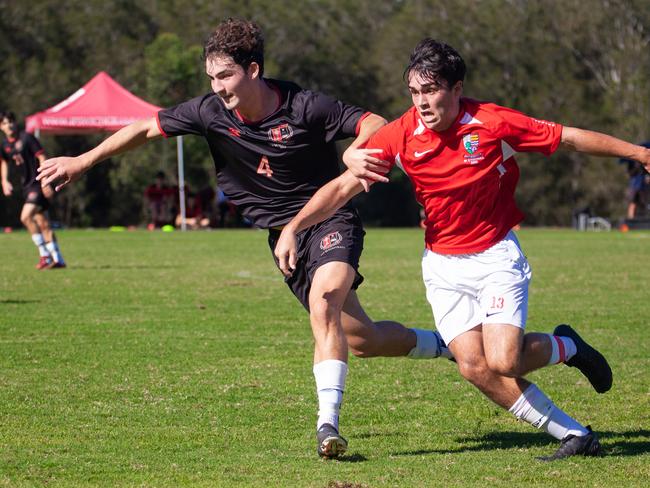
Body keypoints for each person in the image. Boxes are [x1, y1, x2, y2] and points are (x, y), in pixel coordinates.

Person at [37, 19, 452, 459]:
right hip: (283, 239)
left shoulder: (305, 106)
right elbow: (144, 129)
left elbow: (375, 122)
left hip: (331, 219)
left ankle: (327, 424)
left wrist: (353, 151)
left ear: (253, 70)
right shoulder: (209, 112)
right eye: (211, 78)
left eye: (225, 76)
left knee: (324, 301)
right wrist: (82, 161)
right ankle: (445, 345)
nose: (217, 87)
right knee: (363, 339)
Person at [275, 38, 650, 461]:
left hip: (494, 258)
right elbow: (343, 187)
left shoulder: (492, 122)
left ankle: (568, 347)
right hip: (442, 266)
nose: (421, 102)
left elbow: (567, 139)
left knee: (504, 360)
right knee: (473, 366)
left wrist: (639, 153)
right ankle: (575, 434)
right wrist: (294, 227)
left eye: (431, 90)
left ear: (456, 88)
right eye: (414, 92)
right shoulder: (400, 134)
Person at [1, 111, 66, 269]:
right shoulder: (4, 145)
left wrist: (45, 181)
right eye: (4, 122)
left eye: (10, 121)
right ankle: (58, 260)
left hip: (37, 184)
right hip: (26, 186)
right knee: (43, 223)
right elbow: (3, 162)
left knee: (25, 216)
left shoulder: (27, 138)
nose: (8, 125)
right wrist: (4, 181)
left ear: (15, 122)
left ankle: (44, 255)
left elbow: (42, 157)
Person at [620, 141, 650, 219]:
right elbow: (630, 173)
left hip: (644, 186)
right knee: (633, 202)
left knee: (644, 203)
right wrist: (636, 167)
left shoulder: (645, 162)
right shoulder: (632, 163)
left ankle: (644, 219)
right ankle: (631, 220)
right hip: (634, 185)